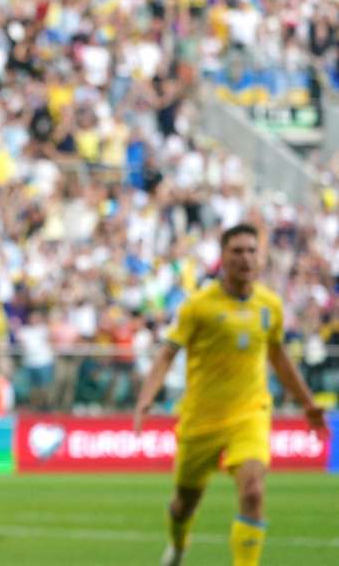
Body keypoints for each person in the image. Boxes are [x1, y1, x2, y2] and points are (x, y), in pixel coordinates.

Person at [133, 223, 327, 566]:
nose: (246, 258)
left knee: (253, 492)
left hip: (249, 413)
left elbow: (278, 357)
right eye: (237, 251)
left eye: (252, 251)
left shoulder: (270, 305)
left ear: (260, 257)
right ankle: (178, 547)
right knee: (183, 503)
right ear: (223, 257)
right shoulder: (198, 306)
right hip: (201, 417)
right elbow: (167, 353)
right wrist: (146, 398)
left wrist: (308, 403)